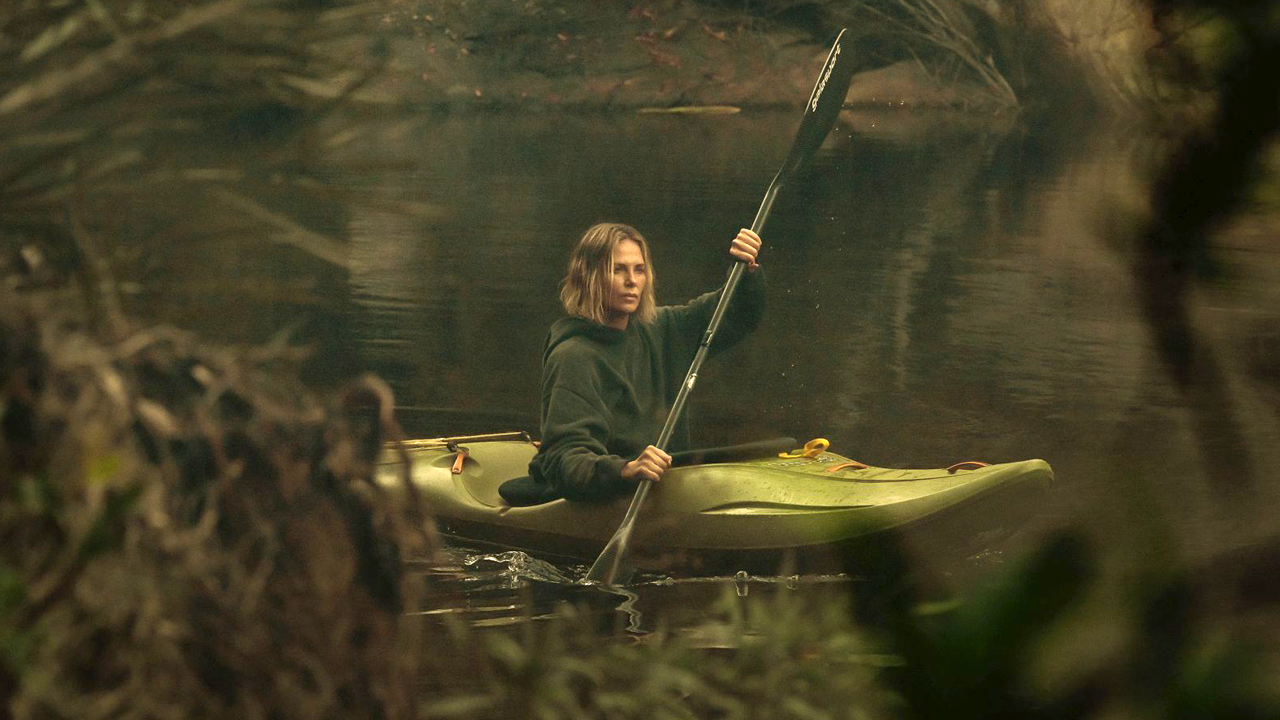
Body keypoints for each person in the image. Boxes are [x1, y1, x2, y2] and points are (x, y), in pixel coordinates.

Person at [526, 222, 765, 502]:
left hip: (664, 485)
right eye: (618, 269)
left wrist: (746, 271)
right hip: (613, 490)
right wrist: (626, 469)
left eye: (639, 270)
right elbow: (562, 457)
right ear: (589, 277)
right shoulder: (573, 356)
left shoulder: (660, 327)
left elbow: (732, 313)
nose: (632, 281)